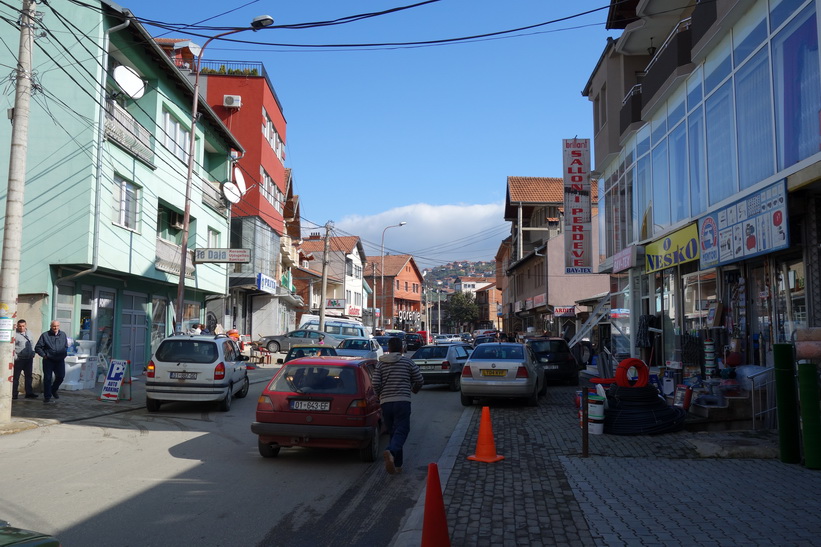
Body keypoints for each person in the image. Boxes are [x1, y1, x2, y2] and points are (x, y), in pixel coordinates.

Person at [373, 336, 423, 475]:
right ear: (401, 349)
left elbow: (375, 383)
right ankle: (392, 451)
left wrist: (379, 395)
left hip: (386, 403)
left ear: (388, 349)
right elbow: (419, 379)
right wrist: (414, 389)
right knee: (402, 430)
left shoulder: (380, 364)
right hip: (402, 401)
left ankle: (398, 464)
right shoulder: (408, 362)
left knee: (394, 433)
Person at [34, 320, 69, 404]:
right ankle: (47, 397)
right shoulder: (45, 335)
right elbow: (38, 347)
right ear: (50, 326)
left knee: (60, 376)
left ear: (59, 326)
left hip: (59, 360)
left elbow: (66, 346)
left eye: (57, 326)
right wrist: (44, 355)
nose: (55, 328)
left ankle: (53, 390)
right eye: (54, 326)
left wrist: (64, 353)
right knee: (48, 379)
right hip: (48, 360)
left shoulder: (63, 334)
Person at [12, 319, 37, 399]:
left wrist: (33, 353)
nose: (21, 328)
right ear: (17, 326)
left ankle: (29, 393)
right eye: (20, 326)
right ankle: (14, 394)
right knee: (16, 377)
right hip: (19, 359)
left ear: (25, 325)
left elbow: (32, 343)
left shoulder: (29, 332)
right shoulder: (14, 334)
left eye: (23, 326)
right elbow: (12, 346)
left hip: (29, 359)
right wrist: (15, 357)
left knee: (29, 376)